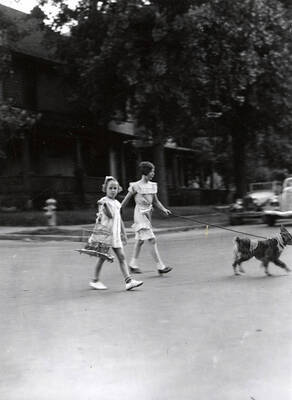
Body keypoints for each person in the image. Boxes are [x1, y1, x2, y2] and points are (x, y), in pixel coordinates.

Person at [89, 176, 143, 291]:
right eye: (110, 188)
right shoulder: (103, 202)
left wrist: (124, 233)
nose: (113, 190)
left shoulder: (118, 203)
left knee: (122, 257)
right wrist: (104, 205)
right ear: (105, 189)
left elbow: (119, 219)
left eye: (115, 188)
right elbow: (109, 215)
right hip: (106, 235)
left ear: (118, 189)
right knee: (102, 258)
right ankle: (95, 280)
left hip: (115, 236)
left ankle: (129, 281)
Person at [121, 161, 172, 275]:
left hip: (148, 215)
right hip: (139, 214)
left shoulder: (153, 186)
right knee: (152, 239)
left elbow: (156, 201)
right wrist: (119, 209)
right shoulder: (136, 186)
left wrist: (164, 209)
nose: (153, 173)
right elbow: (126, 199)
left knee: (140, 241)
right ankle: (160, 266)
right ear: (145, 172)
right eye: (152, 171)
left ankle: (133, 264)